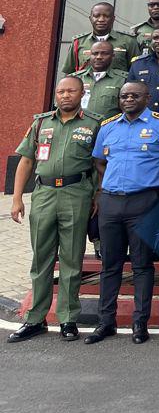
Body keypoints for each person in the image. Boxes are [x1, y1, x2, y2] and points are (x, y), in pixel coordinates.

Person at [8, 76, 100, 343]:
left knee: (72, 259)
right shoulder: (40, 123)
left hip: (76, 194)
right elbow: (25, 162)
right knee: (41, 259)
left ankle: (68, 318)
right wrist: (17, 199)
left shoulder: (93, 124)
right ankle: (35, 319)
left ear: (82, 94)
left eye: (71, 91)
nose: (65, 95)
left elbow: (99, 164)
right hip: (44, 194)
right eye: (61, 91)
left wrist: (97, 195)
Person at [86, 79, 159, 344]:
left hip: (145, 203)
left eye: (134, 96)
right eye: (124, 96)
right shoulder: (108, 127)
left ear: (147, 98)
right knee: (110, 265)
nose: (128, 100)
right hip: (111, 202)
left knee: (141, 265)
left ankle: (140, 324)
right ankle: (106, 323)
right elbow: (99, 161)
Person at [62, 1, 136, 74]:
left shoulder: (128, 41)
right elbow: (69, 73)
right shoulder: (79, 42)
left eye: (106, 16)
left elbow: (136, 70)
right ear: (90, 18)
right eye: (96, 16)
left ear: (113, 19)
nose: (101, 20)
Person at [76, 39, 128, 121]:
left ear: (113, 56)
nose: (99, 57)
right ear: (90, 55)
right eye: (95, 54)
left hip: (108, 128)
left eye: (104, 54)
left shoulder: (123, 79)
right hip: (78, 129)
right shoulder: (76, 78)